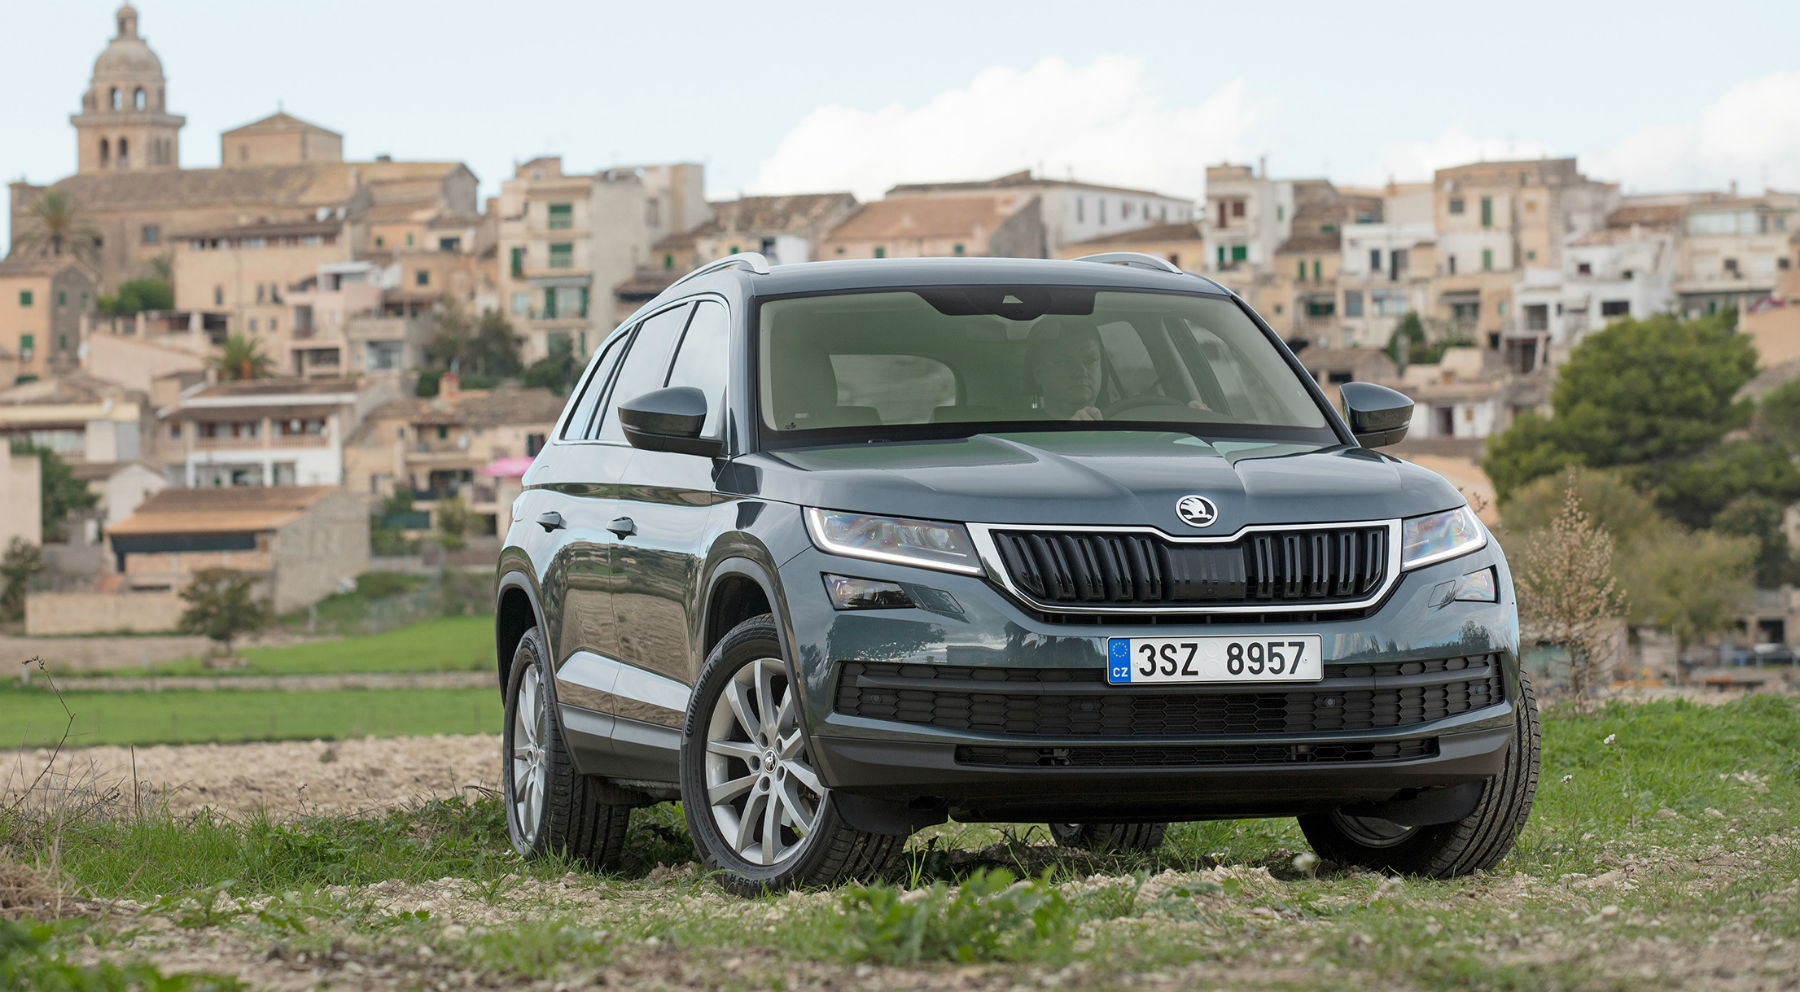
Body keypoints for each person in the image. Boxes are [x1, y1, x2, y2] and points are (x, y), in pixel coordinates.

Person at [1023, 318, 1105, 420]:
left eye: (1090, 360)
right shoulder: (1020, 430)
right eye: (1065, 362)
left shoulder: (1122, 421)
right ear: (1039, 373)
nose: (1081, 371)